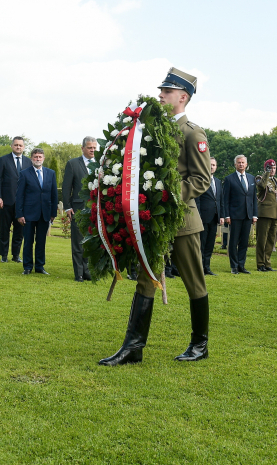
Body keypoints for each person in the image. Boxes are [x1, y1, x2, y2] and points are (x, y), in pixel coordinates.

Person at [99, 67, 212, 366]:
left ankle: (200, 345)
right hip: (153, 221)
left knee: (194, 283)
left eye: (167, 91)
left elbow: (201, 180)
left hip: (183, 222)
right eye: (162, 90)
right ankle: (133, 348)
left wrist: (168, 197)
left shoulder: (193, 133)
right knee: (146, 280)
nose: (160, 95)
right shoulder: (150, 130)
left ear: (183, 97)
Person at [16, 148, 58, 275]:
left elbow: (54, 195)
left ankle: (40, 266)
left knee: (41, 241)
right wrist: (20, 214)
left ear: (43, 159)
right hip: (29, 214)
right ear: (31, 159)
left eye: (40, 157)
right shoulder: (24, 174)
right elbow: (19, 196)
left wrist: (53, 214)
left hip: (44, 214)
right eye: (35, 157)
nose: (38, 159)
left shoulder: (50, 173)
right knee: (28, 241)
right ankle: (27, 267)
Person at [62, 137, 97, 282]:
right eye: (89, 148)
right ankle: (79, 273)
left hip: (95, 209)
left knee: (90, 242)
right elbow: (66, 188)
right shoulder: (72, 164)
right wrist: (67, 207)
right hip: (78, 208)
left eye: (94, 148)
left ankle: (88, 271)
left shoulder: (99, 164)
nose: (92, 150)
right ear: (82, 148)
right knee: (78, 242)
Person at [0, 137, 32, 263]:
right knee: (4, 230)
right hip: (6, 201)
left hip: (22, 204)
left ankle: (16, 255)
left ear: (24, 147)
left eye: (20, 145)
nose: (18, 147)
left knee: (19, 231)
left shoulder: (28, 162)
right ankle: (4, 255)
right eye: (16, 145)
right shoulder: (3, 160)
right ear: (12, 146)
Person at [222, 155, 258, 274]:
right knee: (233, 242)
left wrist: (254, 215)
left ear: (246, 164)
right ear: (235, 165)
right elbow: (225, 199)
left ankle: (241, 265)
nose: (241, 164)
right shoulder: (229, 179)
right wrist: (227, 215)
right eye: (239, 163)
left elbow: (253, 198)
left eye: (243, 162)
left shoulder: (251, 178)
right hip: (234, 216)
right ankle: (234, 266)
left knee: (244, 242)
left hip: (248, 215)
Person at [196, 157, 223, 276]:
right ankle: (199, 268)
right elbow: (198, 200)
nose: (212, 167)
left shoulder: (217, 182)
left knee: (210, 244)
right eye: (210, 164)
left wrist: (222, 215)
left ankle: (207, 267)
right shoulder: (201, 180)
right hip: (203, 217)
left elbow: (220, 200)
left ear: (216, 167)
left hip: (215, 217)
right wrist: (199, 217)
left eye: (214, 165)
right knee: (201, 243)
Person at [255, 159, 277, 272]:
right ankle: (260, 263)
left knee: (271, 240)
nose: (273, 170)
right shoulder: (260, 178)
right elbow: (261, 186)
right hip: (264, 214)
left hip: (275, 214)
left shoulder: (276, 181)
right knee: (262, 240)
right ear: (266, 168)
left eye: (274, 168)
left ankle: (267, 263)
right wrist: (266, 173)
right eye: (270, 168)